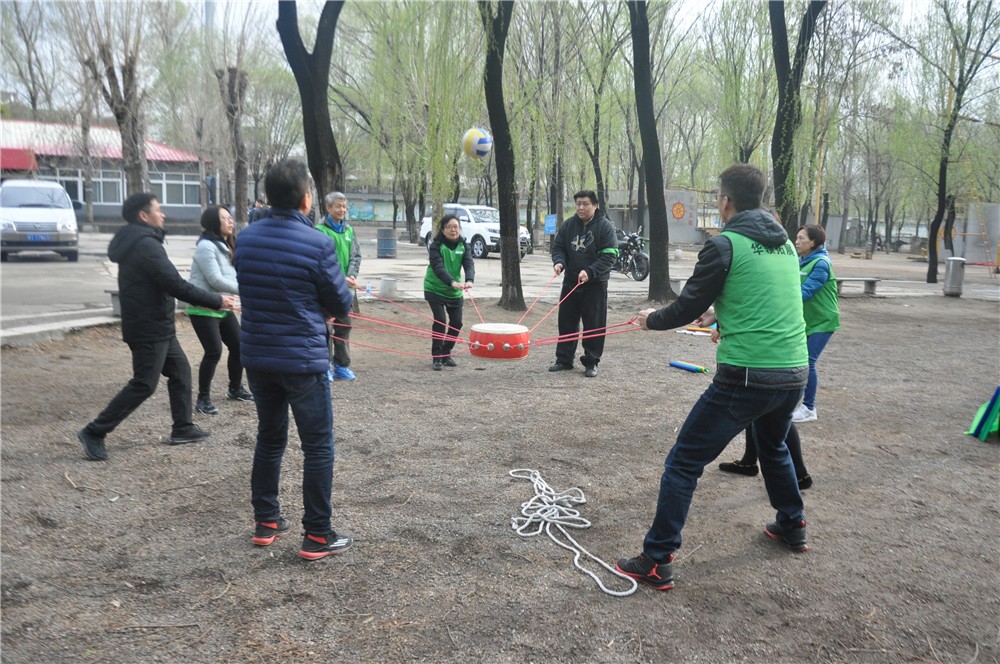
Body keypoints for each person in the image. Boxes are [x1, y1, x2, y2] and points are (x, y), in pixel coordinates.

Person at [615, 164, 809, 591]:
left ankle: (656, 558)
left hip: (747, 376)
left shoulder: (725, 244)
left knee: (684, 461)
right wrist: (720, 313)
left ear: (725, 201)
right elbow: (765, 296)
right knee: (773, 445)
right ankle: (792, 523)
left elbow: (683, 308)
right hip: (794, 372)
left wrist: (652, 321)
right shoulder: (785, 246)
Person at [234, 159, 355, 561]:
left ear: (268, 197)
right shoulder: (318, 243)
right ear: (306, 199)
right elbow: (339, 300)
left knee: (270, 438)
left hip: (258, 358)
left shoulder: (246, 238)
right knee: (318, 446)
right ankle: (318, 533)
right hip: (301, 359)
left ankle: (266, 520)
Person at [76, 193, 236, 461]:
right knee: (144, 384)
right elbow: (174, 284)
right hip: (148, 326)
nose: (162, 215)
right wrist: (217, 300)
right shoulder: (145, 245)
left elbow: (170, 283)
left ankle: (182, 428)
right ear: (143, 215)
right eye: (158, 210)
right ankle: (94, 431)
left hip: (157, 324)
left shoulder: (142, 241)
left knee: (181, 371)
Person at [187, 206, 253, 416]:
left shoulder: (226, 245)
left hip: (223, 306)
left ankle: (235, 389)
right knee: (214, 351)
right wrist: (246, 289)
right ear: (213, 223)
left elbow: (233, 276)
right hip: (204, 308)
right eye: (224, 218)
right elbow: (214, 279)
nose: (230, 221)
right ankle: (202, 399)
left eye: (230, 217)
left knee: (239, 346)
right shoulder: (206, 246)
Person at [548, 190, 618, 378]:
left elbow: (610, 255)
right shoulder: (569, 225)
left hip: (595, 285)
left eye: (585, 204)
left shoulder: (605, 227)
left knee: (594, 324)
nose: (581, 207)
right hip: (571, 282)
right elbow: (559, 247)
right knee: (566, 322)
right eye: (578, 203)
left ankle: (591, 361)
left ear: (595, 205)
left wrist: (590, 272)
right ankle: (564, 360)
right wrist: (559, 262)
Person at [791, 224, 840, 422]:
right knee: (798, 361)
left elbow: (807, 291)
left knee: (808, 362)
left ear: (813, 242)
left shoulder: (821, 263)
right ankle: (797, 405)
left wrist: (782, 304)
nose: (797, 241)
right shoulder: (799, 260)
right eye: (797, 237)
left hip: (822, 321)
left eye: (801, 238)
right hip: (806, 320)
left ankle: (809, 408)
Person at [316, 191, 362, 382]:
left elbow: (355, 256)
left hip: (345, 290)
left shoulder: (349, 230)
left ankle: (341, 365)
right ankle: (323, 366)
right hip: (326, 289)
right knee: (325, 328)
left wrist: (351, 275)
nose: (342, 210)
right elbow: (321, 261)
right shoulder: (320, 231)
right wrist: (339, 277)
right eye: (338, 206)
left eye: (344, 206)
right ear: (328, 208)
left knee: (344, 326)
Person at [423, 214, 474, 371]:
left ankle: (446, 353)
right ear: (443, 230)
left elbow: (468, 263)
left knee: (457, 323)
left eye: (456, 227)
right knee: (440, 321)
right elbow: (438, 267)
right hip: (435, 288)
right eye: (450, 227)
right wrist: (451, 282)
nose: (454, 230)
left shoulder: (463, 245)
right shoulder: (436, 245)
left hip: (455, 291)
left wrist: (470, 280)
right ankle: (437, 357)